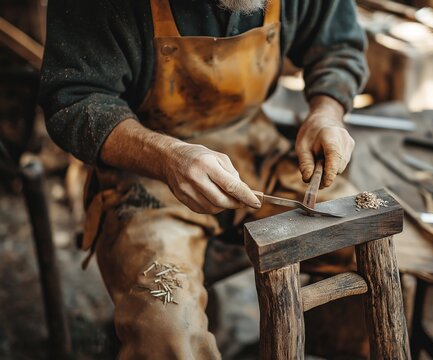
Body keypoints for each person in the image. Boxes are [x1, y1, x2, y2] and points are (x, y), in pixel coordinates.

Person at [39, 0, 368, 358]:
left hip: (256, 147)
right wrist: (167, 157)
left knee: (369, 250)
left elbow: (338, 46)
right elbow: (74, 100)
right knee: (167, 332)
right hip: (147, 169)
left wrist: (326, 113)